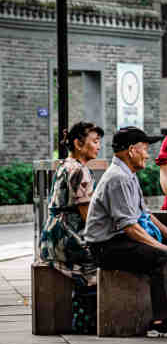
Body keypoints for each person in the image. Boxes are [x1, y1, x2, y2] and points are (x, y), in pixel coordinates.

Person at [84, 127, 167, 338]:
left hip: (120, 240)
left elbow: (144, 213)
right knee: (162, 258)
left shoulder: (128, 175)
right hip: (106, 247)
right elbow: (130, 227)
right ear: (132, 150)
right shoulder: (118, 178)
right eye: (144, 149)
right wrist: (165, 248)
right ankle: (164, 321)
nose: (147, 155)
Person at [38, 121, 105, 285]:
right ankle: (88, 306)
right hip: (68, 239)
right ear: (78, 144)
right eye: (95, 141)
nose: (99, 146)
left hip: (51, 238)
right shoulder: (79, 170)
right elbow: (88, 217)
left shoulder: (65, 165)